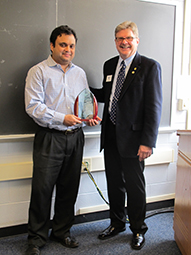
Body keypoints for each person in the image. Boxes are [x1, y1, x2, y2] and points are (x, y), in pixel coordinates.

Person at [25, 25, 100, 255]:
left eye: (71, 46)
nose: (68, 49)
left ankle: (62, 231)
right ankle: (36, 239)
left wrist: (89, 118)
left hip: (76, 138)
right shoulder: (38, 71)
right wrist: (61, 118)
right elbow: (33, 107)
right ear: (52, 45)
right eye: (63, 45)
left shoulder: (80, 73)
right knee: (42, 189)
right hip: (50, 137)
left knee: (69, 188)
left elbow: (85, 101)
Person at [90, 21, 162, 250]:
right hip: (110, 135)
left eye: (129, 38)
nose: (124, 42)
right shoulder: (109, 65)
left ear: (136, 40)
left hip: (134, 140)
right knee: (114, 183)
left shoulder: (149, 66)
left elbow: (154, 107)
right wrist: (82, 88)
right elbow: (106, 94)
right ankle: (117, 223)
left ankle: (138, 229)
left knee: (134, 186)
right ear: (115, 42)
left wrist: (147, 142)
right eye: (120, 38)